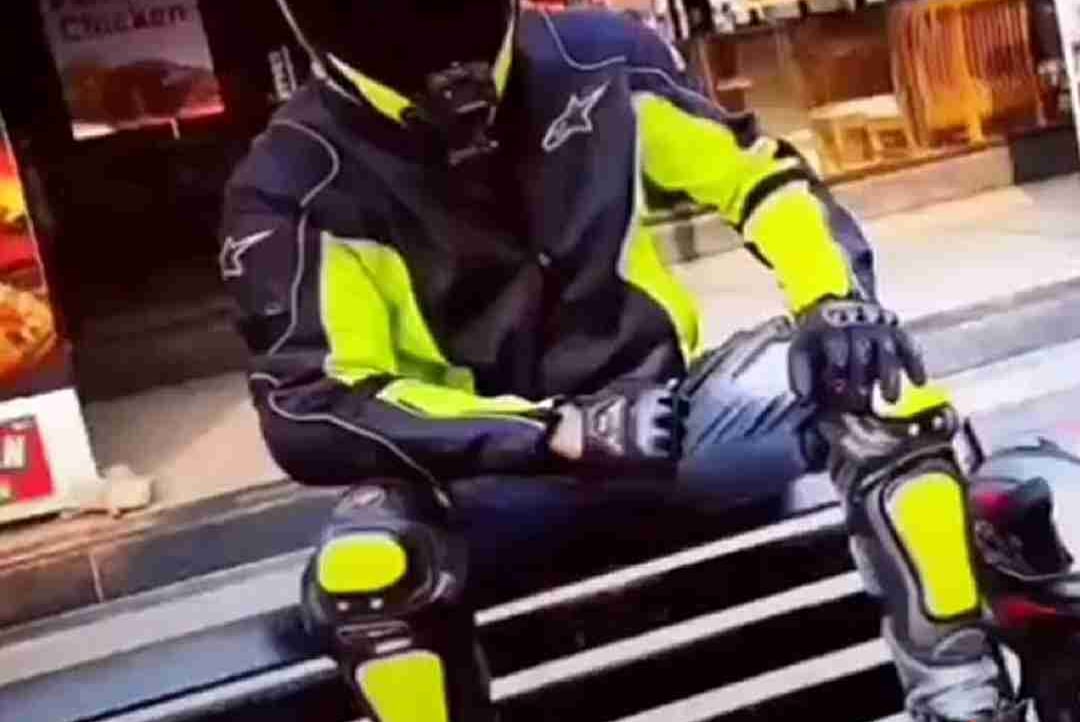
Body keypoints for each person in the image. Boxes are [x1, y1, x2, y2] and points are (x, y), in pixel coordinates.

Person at [220, 2, 1019, 720]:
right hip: (482, 488)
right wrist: (550, 432)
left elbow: (758, 175)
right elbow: (311, 402)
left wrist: (832, 297)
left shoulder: (600, 57)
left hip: (669, 425)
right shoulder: (294, 179)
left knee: (883, 391)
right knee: (370, 568)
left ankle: (962, 701)